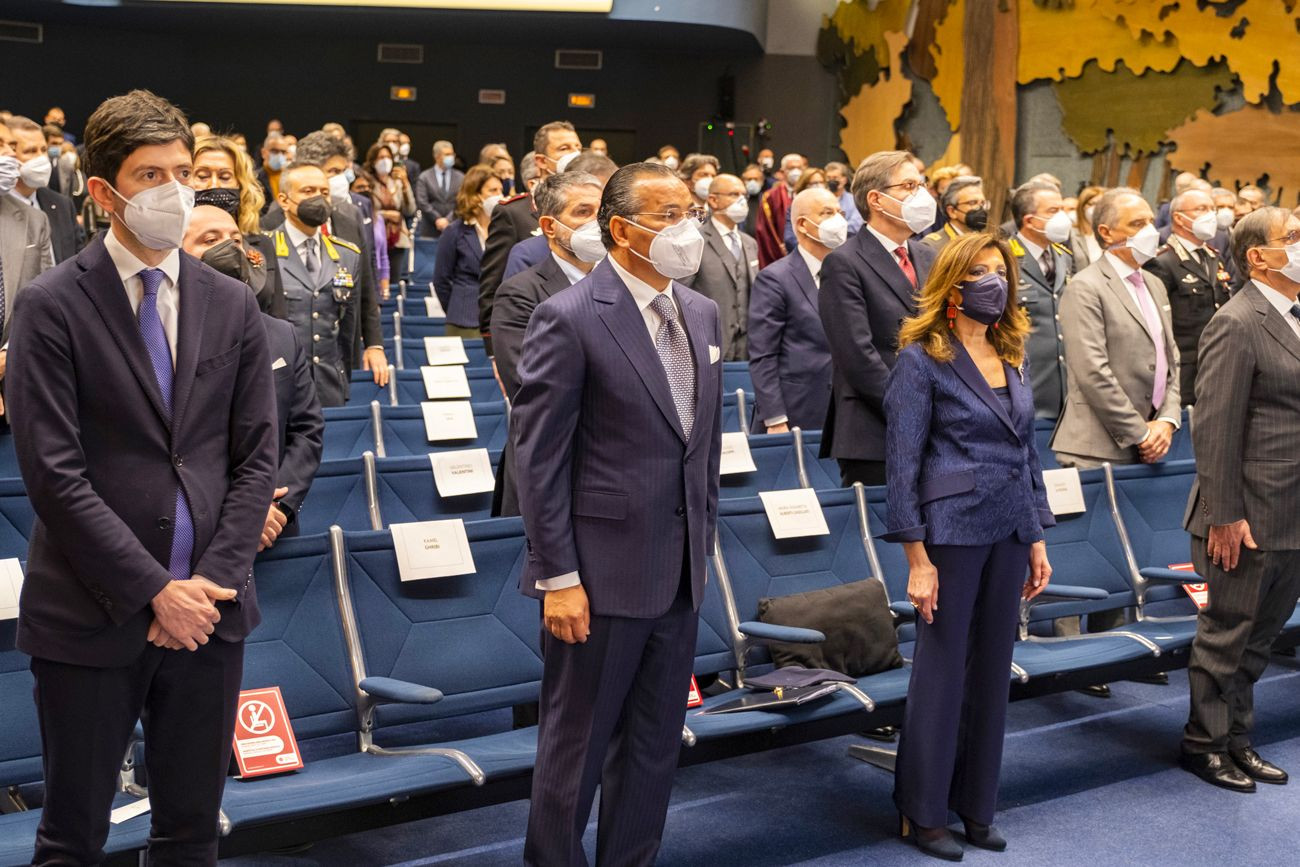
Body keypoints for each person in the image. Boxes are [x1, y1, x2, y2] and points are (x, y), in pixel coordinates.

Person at [7, 89, 277, 866]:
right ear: (103, 192)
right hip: (92, 615)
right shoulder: (50, 306)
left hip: (212, 614)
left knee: (192, 830)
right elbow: (54, 475)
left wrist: (211, 583)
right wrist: (156, 589)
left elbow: (256, 455)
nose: (174, 190)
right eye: (150, 174)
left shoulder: (230, 301)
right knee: (72, 836)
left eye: (183, 172)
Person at [512, 161, 722, 865]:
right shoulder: (568, 316)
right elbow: (538, 461)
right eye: (668, 216)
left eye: (690, 211)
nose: (685, 228)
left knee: (655, 746)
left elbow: (701, 451)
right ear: (621, 229)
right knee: (575, 751)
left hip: (680, 570)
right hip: (596, 578)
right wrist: (558, 576)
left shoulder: (701, 312)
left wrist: (704, 553)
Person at [882, 233, 1054, 859]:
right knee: (942, 672)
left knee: (991, 673)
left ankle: (976, 804)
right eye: (981, 273)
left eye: (1001, 271)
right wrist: (916, 558)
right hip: (950, 533)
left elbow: (1026, 452)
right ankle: (922, 810)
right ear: (952, 287)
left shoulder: (1013, 353)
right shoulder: (921, 357)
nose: (996, 282)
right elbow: (901, 465)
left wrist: (1036, 535)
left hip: (1009, 528)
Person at [1180, 206, 1300, 793]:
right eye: (1294, 238)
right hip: (1246, 512)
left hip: (1293, 509)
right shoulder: (1237, 320)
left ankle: (1239, 739)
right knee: (1227, 633)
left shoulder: (1296, 316)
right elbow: (1216, 428)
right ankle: (1204, 744)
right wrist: (1223, 515)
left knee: (1261, 637)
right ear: (1259, 256)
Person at [181, 204, 323, 548]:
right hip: (199, 531)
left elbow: (307, 431)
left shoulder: (281, 335)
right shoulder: (162, 338)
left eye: (236, 239)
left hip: (275, 527)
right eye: (209, 239)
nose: (229, 248)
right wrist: (243, 510)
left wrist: (274, 505)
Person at [819, 149, 938, 486]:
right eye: (909, 186)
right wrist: (910, 411)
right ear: (877, 199)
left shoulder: (927, 254)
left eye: (922, 185)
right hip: (875, 429)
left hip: (936, 424)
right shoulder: (845, 262)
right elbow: (857, 355)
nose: (922, 195)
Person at [490, 171, 604, 517]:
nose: (596, 223)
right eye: (583, 213)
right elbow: (530, 387)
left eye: (601, 213)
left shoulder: (623, 287)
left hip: (611, 469)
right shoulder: (521, 292)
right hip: (550, 467)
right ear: (550, 227)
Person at [1052, 186, 1180, 468]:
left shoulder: (1154, 284)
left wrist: (1167, 421)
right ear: (1106, 233)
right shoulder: (1086, 287)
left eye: (1149, 221)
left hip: (1155, 444)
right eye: (1136, 224)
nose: (1149, 230)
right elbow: (1093, 372)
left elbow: (1171, 359)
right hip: (1098, 450)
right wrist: (1142, 432)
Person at [269, 133, 388, 384]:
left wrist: (374, 344)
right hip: (287, 361)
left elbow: (365, 286)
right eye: (334, 171)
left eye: (344, 171)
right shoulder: (271, 221)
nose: (343, 179)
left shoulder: (349, 214)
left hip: (337, 358)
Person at [478, 121, 582, 352]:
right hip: (532, 335)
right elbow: (492, 286)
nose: (574, 154)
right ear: (541, 161)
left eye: (577, 147)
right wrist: (495, 351)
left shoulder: (593, 211)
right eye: (564, 148)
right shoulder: (513, 212)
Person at [748, 186, 843, 434]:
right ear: (802, 224)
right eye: (827, 213)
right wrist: (775, 417)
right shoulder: (775, 278)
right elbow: (763, 355)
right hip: (797, 410)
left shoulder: (848, 274)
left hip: (846, 411)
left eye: (840, 212)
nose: (838, 220)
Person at [269, 162, 365, 407]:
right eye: (308, 191)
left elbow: (348, 331)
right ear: (284, 200)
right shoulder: (264, 250)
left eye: (324, 192)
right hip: (279, 386)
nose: (318, 199)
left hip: (329, 386)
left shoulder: (347, 254)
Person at [1143, 187, 1231, 405]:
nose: (1211, 215)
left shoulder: (1212, 256)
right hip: (1184, 368)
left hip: (1216, 361)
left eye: (1212, 208)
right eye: (1202, 209)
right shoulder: (1162, 262)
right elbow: (1157, 323)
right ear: (1179, 219)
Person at [192, 133, 286, 317]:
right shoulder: (171, 243)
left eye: (225, 176)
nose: (214, 184)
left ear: (240, 184)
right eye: (202, 176)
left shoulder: (262, 244)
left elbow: (278, 314)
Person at [1009, 180, 1074, 419]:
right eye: (1053, 211)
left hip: (1064, 389)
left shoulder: (1064, 257)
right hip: (1024, 384)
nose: (1063, 218)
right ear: (1029, 221)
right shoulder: (1004, 259)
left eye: (1063, 209)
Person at [503, 151, 617, 282]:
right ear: (550, 226)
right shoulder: (528, 255)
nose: (598, 221)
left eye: (603, 209)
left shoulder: (619, 256)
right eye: (583, 212)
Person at [680, 174, 756, 361]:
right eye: (733, 194)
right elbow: (680, 293)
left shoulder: (750, 243)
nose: (741, 201)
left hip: (746, 346)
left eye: (743, 195)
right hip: (708, 341)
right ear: (713, 200)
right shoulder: (695, 240)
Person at [0, 124, 54, 374]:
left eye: (12, 146)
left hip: (13, 372)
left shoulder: (34, 219)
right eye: (1, 145)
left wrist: (7, 355)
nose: (10, 155)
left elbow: (43, 296)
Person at [434, 164, 502, 338]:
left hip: (499, 319)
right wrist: (456, 307)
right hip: (463, 320)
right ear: (475, 195)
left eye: (500, 190)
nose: (499, 196)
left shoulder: (504, 230)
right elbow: (441, 280)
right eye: (492, 190)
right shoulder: (454, 232)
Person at [6, 116, 80, 263]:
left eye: (44, 149)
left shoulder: (62, 205)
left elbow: (78, 259)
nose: (41, 158)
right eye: (30, 151)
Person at [366, 141, 416, 284]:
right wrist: (386, 214)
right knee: (375, 279)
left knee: (394, 280)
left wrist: (406, 184)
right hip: (375, 237)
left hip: (397, 237)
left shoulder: (396, 183)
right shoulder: (367, 183)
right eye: (381, 157)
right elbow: (364, 210)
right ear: (373, 160)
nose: (385, 161)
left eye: (388, 157)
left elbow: (410, 210)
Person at [756, 152, 806, 268]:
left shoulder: (811, 195)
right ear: (783, 171)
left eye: (799, 168)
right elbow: (765, 231)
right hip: (779, 254)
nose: (796, 171)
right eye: (791, 168)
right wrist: (780, 248)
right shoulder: (771, 197)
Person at [921, 176, 988, 252]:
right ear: (952, 211)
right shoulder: (932, 246)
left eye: (982, 203)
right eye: (972, 203)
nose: (980, 208)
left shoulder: (984, 243)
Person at [415, 140, 463, 238]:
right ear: (436, 156)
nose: (451, 157)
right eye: (447, 154)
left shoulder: (461, 177)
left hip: (454, 228)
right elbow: (422, 202)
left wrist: (448, 220)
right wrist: (437, 219)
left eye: (452, 154)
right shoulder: (425, 176)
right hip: (430, 230)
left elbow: (462, 201)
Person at [825, 160, 864, 236]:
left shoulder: (854, 200)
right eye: (829, 178)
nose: (832, 181)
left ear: (844, 180)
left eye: (835, 178)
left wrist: (831, 230)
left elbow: (855, 225)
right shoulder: (819, 199)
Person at [256, 132, 289, 210]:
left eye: (283, 152)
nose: (280, 155)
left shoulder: (291, 177)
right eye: (275, 151)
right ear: (263, 152)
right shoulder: (254, 179)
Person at [1075, 185, 1106, 264]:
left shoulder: (1108, 235)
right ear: (1082, 206)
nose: (1096, 208)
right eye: (1092, 204)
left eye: (1100, 204)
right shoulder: (1071, 234)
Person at [740, 162, 765, 236]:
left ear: (762, 181)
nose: (752, 182)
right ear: (743, 181)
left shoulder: (768, 201)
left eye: (756, 179)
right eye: (749, 179)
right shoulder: (737, 201)